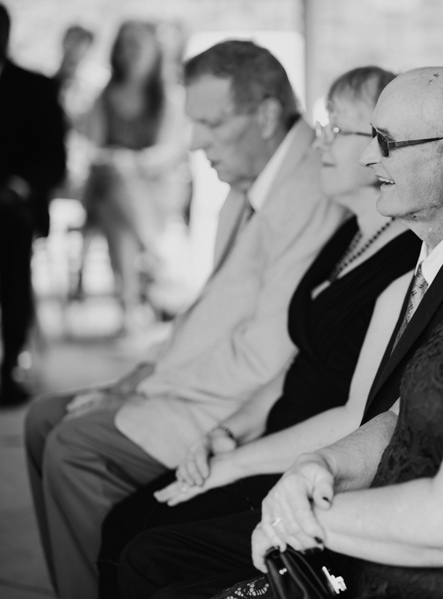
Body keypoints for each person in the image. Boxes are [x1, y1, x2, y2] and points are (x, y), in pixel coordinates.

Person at [115, 65, 443, 599]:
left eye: (385, 142)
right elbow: (375, 407)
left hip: (389, 525)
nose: (370, 157)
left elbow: (412, 445)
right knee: (143, 545)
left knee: (148, 551)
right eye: (365, 137)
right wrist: (246, 442)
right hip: (337, 479)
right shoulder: (419, 259)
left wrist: (297, 484)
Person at [24, 40, 345, 599]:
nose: (194, 142)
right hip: (195, 388)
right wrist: (132, 380)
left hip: (232, 409)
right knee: (43, 418)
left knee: (74, 447)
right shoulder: (249, 182)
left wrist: (141, 392)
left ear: (267, 115)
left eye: (210, 123)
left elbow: (265, 356)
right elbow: (203, 316)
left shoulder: (309, 192)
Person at [78, 20, 190, 328]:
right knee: (117, 190)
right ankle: (157, 260)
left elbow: (170, 152)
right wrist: (119, 162)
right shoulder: (105, 97)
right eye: (126, 44)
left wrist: (132, 162)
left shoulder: (170, 96)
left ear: (155, 50)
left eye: (138, 44)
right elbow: (93, 149)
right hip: (112, 186)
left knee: (119, 211)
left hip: (158, 190)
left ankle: (129, 306)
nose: (132, 52)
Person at [0, 2, 67, 406]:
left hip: (14, 206)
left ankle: (9, 366)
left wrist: (19, 186)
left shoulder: (36, 88)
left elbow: (53, 161)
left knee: (10, 235)